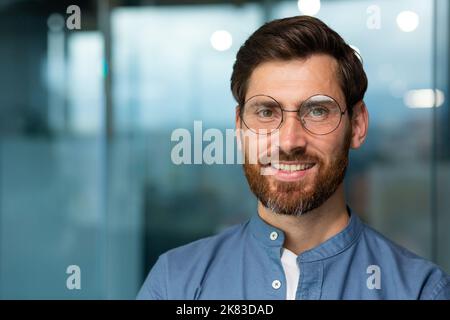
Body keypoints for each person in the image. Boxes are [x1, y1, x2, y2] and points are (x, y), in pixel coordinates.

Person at [137, 15, 450, 300]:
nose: (289, 141)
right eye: (266, 112)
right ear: (240, 127)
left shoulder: (419, 290)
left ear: (357, 125)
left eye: (317, 111)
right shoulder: (175, 283)